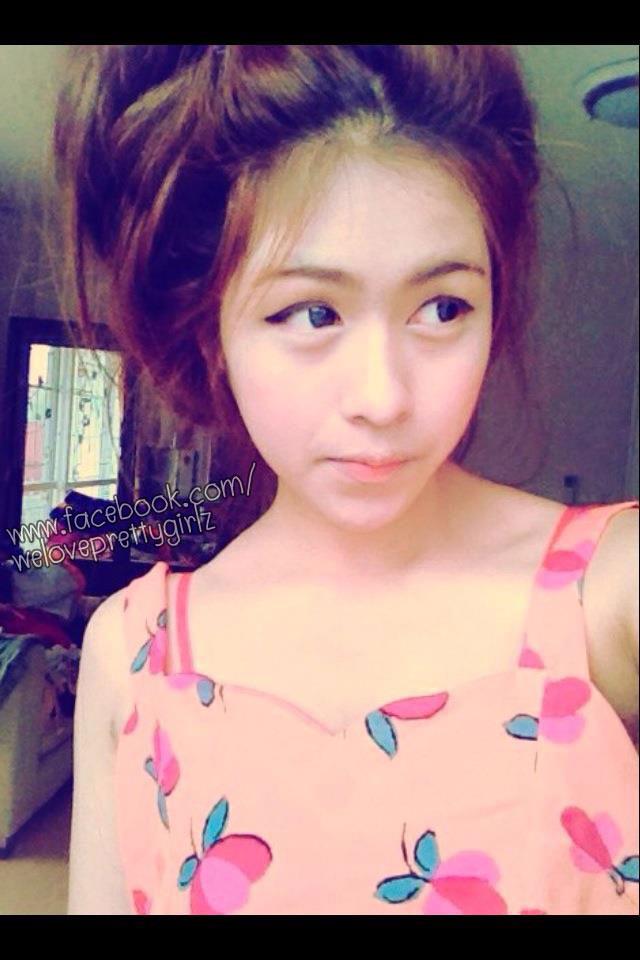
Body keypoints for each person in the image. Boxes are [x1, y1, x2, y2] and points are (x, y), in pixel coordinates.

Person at [51, 46, 639, 915]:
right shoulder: (134, 657)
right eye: (312, 312)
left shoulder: (609, 592)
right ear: (212, 332)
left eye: (442, 308)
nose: (383, 397)